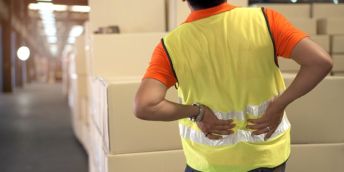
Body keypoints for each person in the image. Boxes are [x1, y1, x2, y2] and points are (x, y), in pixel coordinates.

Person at [134, 0, 333, 171]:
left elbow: (145, 105)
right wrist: (280, 104)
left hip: (208, 163)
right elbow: (320, 62)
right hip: (266, 156)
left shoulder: (171, 45)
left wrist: (198, 112)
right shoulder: (264, 20)